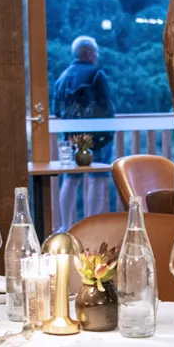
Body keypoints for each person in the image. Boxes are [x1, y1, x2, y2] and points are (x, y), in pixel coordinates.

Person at [51, 36, 116, 231]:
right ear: (89, 54)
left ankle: (65, 225)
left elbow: (56, 111)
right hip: (99, 137)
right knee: (98, 178)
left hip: (72, 138)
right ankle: (91, 225)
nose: (97, 56)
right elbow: (108, 106)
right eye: (96, 53)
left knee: (70, 180)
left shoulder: (62, 77)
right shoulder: (96, 74)